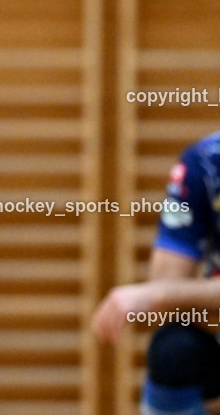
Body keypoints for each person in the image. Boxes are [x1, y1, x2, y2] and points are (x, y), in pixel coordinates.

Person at [93, 131, 220, 415]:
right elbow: (168, 284)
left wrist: (158, 295)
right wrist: (166, 293)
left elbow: (166, 292)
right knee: (174, 352)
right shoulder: (206, 162)